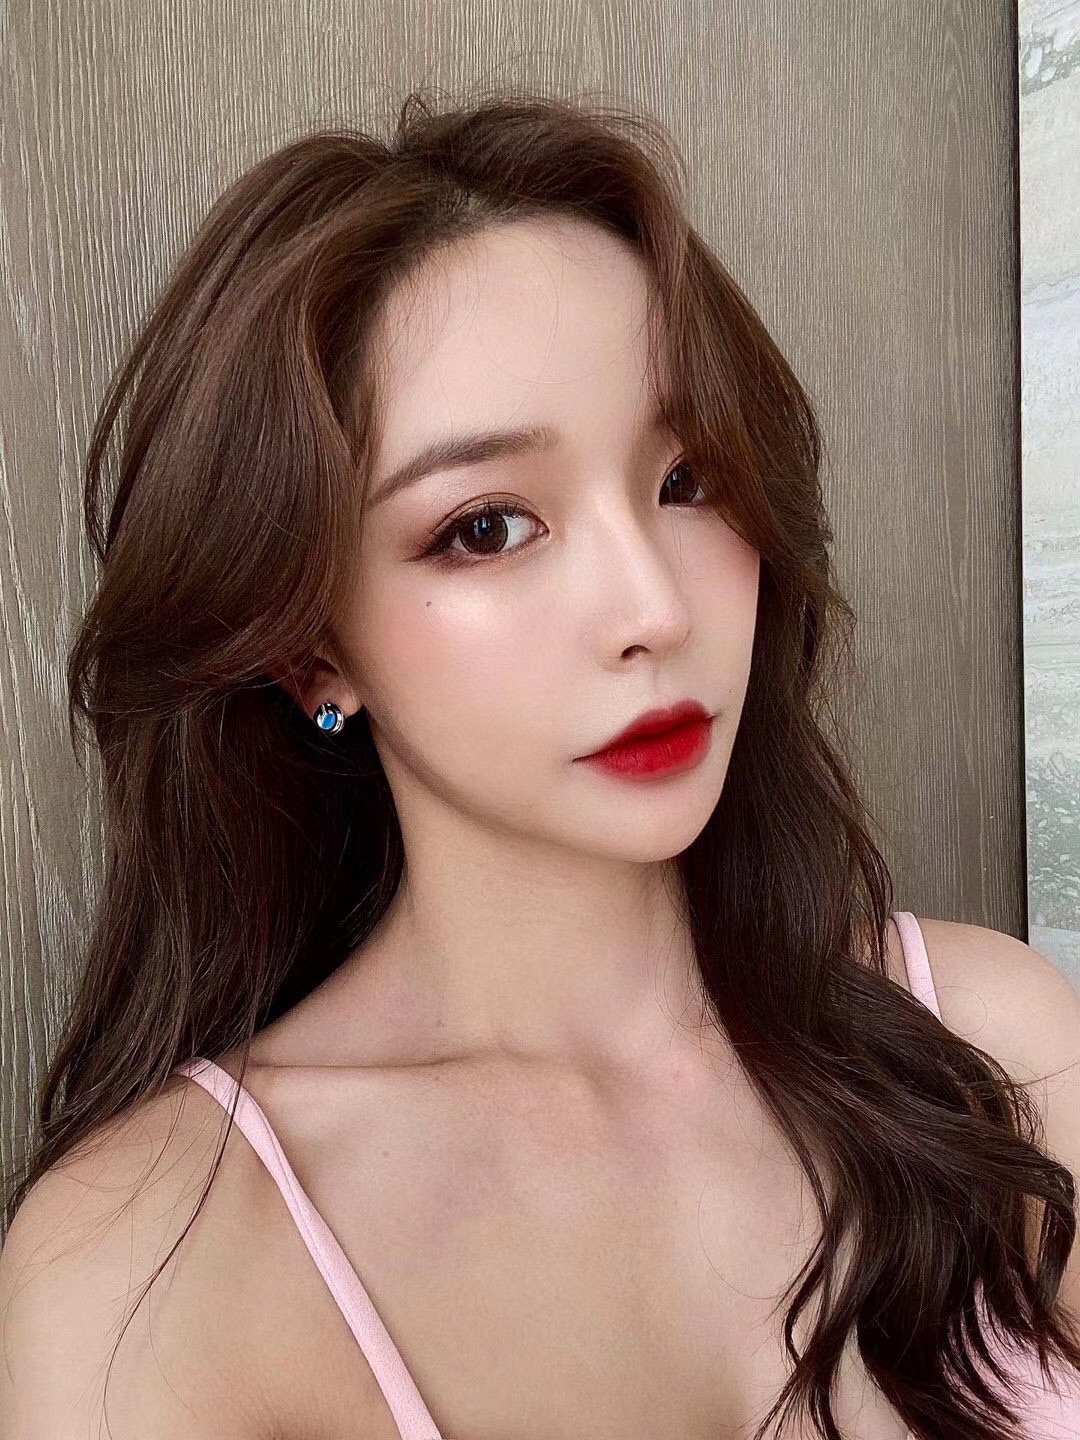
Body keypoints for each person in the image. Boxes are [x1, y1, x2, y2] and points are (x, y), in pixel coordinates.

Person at [1, 89, 1078, 1440]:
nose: (653, 611)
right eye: (487, 528)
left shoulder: (993, 1051)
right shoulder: (147, 1260)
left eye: (689, 480)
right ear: (309, 653)